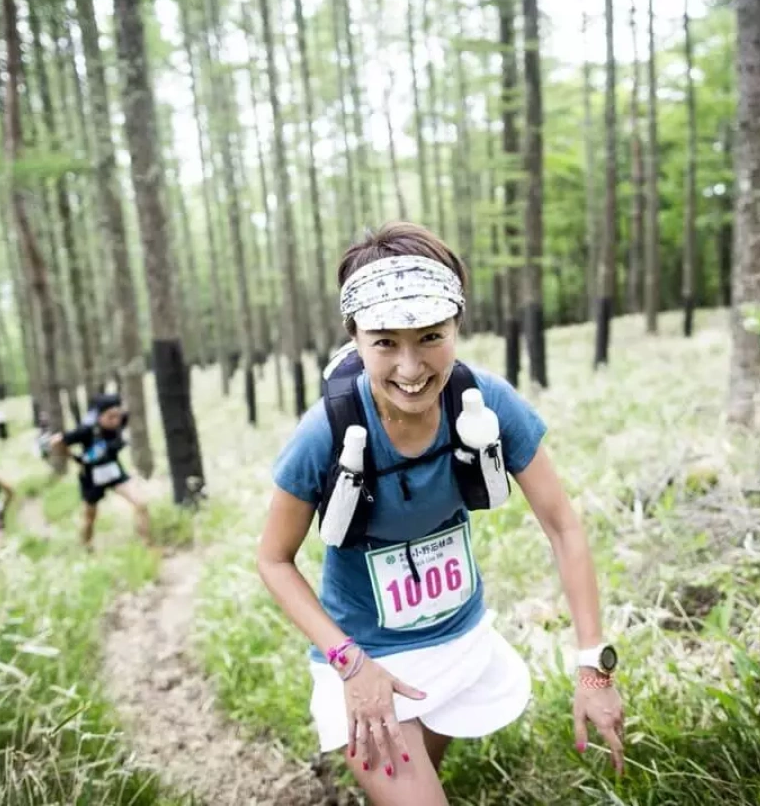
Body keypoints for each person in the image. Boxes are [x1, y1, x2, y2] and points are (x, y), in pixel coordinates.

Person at [257, 221, 625, 805]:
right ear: (354, 338)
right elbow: (273, 560)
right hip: (364, 656)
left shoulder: (487, 401)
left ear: (457, 325)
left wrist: (594, 669)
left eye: (431, 337)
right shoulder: (324, 433)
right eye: (384, 343)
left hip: (459, 642)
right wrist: (350, 664)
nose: (411, 368)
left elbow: (563, 526)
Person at [50, 392, 152, 550]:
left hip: (114, 473)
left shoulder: (120, 422)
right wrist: (73, 457)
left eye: (117, 416)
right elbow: (56, 440)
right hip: (91, 479)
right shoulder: (87, 430)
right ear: (99, 416)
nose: (115, 421)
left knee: (141, 503)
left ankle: (146, 546)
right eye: (110, 417)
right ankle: (86, 547)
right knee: (89, 518)